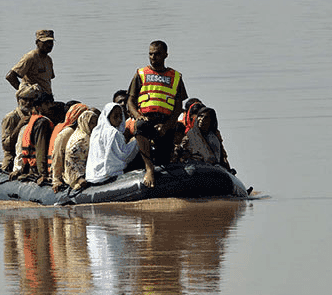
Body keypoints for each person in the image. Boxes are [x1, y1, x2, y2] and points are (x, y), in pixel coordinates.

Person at [127, 40, 188, 178]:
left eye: (157, 54)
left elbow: (178, 107)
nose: (153, 57)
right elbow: (130, 100)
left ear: (166, 55)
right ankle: (149, 168)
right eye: (151, 54)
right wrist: (137, 115)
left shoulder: (176, 77)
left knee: (164, 159)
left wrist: (166, 126)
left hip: (166, 122)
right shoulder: (140, 74)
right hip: (146, 119)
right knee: (140, 126)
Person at [86, 102, 155, 187]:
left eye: (120, 116)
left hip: (93, 175)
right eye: (115, 116)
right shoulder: (113, 132)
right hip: (106, 174)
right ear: (108, 116)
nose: (119, 120)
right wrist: (137, 141)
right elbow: (123, 156)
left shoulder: (96, 131)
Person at [10, 92, 55, 184]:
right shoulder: (42, 123)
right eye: (46, 104)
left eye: (51, 102)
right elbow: (40, 149)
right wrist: (43, 174)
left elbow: (19, 148)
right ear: (39, 107)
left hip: (28, 166)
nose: (50, 106)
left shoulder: (29, 123)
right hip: (36, 169)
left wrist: (17, 168)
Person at [49, 103, 90, 192]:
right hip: (68, 171)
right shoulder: (66, 133)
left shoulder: (85, 132)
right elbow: (57, 156)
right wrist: (56, 179)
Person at [0, 84, 41, 170]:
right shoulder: (11, 117)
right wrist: (19, 126)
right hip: (13, 156)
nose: (28, 103)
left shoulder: (36, 116)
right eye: (25, 99)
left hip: (32, 155)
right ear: (18, 100)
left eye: (31, 100)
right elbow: (6, 146)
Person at [178, 106, 232, 171]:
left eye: (205, 117)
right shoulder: (190, 135)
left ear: (211, 120)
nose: (202, 119)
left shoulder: (213, 138)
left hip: (211, 170)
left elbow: (216, 159)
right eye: (200, 116)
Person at [6, 29, 55, 97]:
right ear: (37, 42)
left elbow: (47, 80)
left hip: (46, 100)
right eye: (45, 42)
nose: (49, 45)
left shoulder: (48, 59)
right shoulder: (30, 57)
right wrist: (26, 93)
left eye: (51, 42)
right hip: (33, 101)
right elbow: (10, 76)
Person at [63, 110, 99, 191]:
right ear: (84, 123)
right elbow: (72, 160)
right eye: (92, 123)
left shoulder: (81, 134)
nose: (95, 126)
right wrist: (79, 178)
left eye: (96, 123)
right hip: (77, 175)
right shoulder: (82, 139)